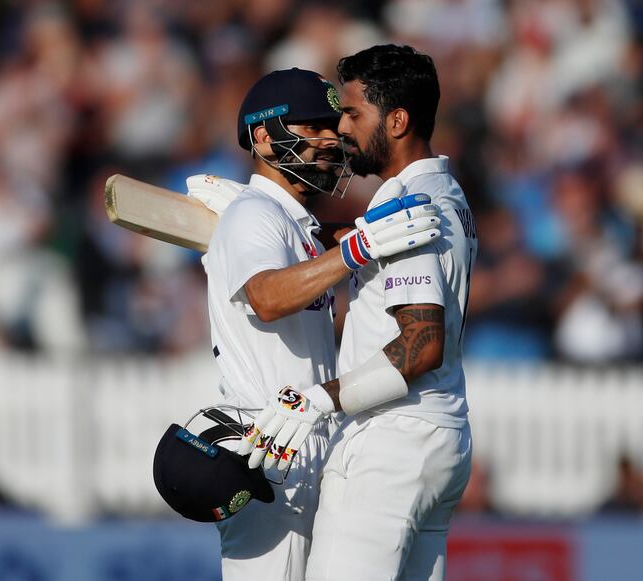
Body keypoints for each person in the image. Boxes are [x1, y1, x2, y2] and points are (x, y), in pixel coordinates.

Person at [192, 67, 442, 581]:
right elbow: (266, 297)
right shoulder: (253, 215)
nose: (330, 139)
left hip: (307, 443)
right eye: (311, 126)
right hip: (262, 451)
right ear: (263, 136)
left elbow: (318, 254)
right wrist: (357, 248)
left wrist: (349, 239)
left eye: (334, 125)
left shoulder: (293, 224)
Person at [241, 45, 478, 581]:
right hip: (440, 436)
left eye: (352, 114)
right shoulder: (448, 195)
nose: (341, 129)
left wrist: (320, 399)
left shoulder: (407, 206)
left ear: (396, 121)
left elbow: (421, 344)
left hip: (391, 441)